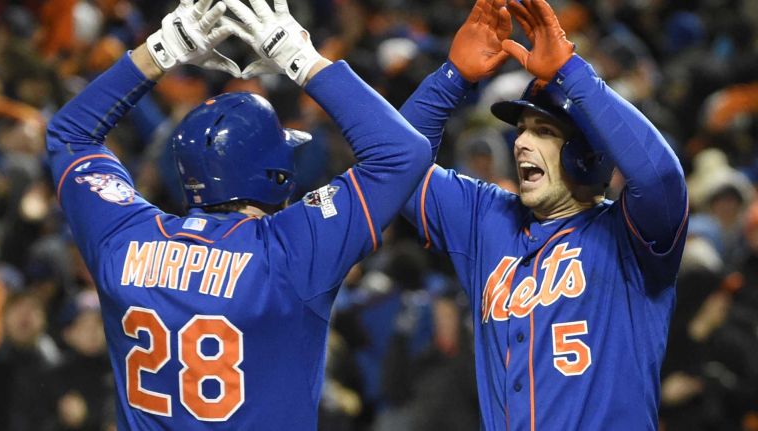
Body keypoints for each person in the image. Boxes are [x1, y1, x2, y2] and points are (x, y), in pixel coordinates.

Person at [46, 0, 431, 429]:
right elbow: (402, 152)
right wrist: (299, 59)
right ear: (276, 175)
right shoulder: (289, 252)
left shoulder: (123, 238)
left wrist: (158, 50)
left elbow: (71, 134)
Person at [398, 0, 688, 429]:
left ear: (586, 155)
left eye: (544, 131)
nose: (520, 144)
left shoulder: (633, 235)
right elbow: (395, 168)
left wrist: (574, 74)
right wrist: (451, 78)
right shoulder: (487, 217)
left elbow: (661, 176)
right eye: (521, 131)